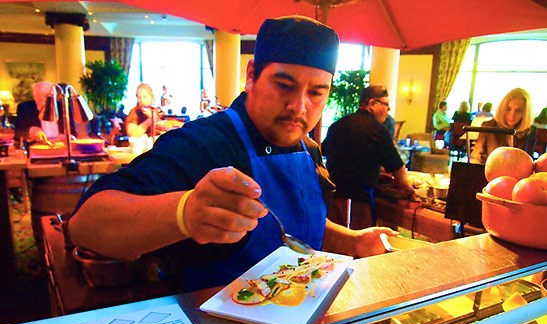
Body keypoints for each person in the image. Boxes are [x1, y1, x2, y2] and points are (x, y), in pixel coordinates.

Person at [68, 16, 397, 293]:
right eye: (285, 85)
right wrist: (186, 212)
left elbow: (300, 226)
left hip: (298, 314)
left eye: (316, 92)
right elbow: (86, 224)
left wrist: (353, 241)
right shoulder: (203, 143)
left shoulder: (307, 147)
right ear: (252, 75)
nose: (300, 106)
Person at [322, 85, 416, 230]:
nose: (388, 110)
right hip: (359, 203)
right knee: (359, 247)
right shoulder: (378, 130)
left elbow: (324, 152)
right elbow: (398, 169)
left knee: (335, 245)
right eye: (386, 104)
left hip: (332, 200)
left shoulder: (337, 125)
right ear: (372, 103)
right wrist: (407, 189)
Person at [470, 88, 537, 164]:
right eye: (508, 109)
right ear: (502, 108)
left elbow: (529, 161)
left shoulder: (530, 131)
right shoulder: (488, 126)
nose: (512, 115)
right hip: (489, 172)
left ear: (525, 113)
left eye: (518, 111)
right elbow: (477, 154)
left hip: (518, 175)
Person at [14, 81, 77, 147]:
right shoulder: (25, 108)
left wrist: (67, 137)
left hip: (61, 148)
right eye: (39, 99)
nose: (43, 103)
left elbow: (72, 132)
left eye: (46, 99)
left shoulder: (63, 108)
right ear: (34, 97)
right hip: (37, 150)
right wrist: (31, 131)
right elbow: (18, 132)